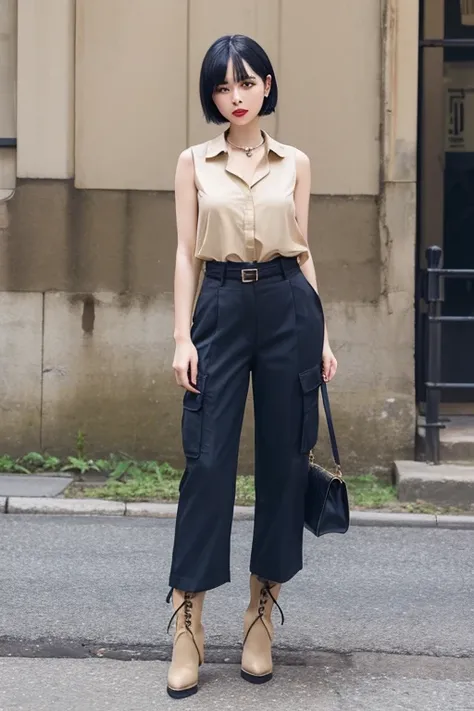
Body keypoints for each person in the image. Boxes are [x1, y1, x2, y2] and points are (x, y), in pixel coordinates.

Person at [166, 34, 337, 699]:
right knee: (206, 461)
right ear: (212, 95)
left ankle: (260, 617)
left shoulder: (295, 162)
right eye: (221, 87)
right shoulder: (193, 162)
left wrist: (320, 331)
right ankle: (189, 622)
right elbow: (186, 253)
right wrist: (183, 336)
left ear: (267, 85)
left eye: (245, 83)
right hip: (219, 306)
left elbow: (302, 251)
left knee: (283, 461)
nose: (234, 97)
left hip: (287, 304)